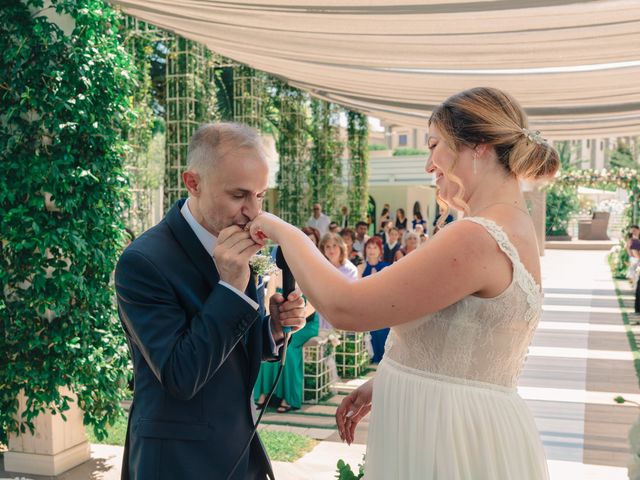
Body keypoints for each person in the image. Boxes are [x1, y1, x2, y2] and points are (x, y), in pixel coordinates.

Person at [248, 87, 559, 479]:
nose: (429, 164)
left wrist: (280, 229)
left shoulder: (477, 236)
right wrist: (389, 378)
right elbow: (474, 341)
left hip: (446, 438)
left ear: (478, 145)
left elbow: (346, 307)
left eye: (435, 146)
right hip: (469, 426)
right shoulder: (515, 224)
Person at [115, 123, 306, 480]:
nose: (253, 212)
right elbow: (179, 374)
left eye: (260, 195)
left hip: (241, 452)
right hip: (178, 462)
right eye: (239, 195)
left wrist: (272, 328)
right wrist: (233, 288)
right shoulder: (143, 262)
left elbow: (231, 351)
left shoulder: (237, 242)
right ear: (193, 183)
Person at [254, 230, 320, 414]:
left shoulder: (314, 270)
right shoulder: (278, 269)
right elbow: (268, 298)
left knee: (288, 347)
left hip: (305, 322)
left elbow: (314, 305)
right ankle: (265, 393)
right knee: (267, 340)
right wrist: (273, 319)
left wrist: (296, 319)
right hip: (282, 319)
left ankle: (289, 397)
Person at [357, 236, 390, 363]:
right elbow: (357, 288)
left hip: (381, 306)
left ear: (380, 250)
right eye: (369, 247)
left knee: (382, 331)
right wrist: (359, 273)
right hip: (365, 306)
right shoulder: (361, 267)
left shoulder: (386, 267)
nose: (371, 250)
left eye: (375, 247)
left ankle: (383, 359)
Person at [316, 233, 359, 330]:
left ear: (341, 247)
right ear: (323, 250)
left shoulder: (350, 269)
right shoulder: (321, 268)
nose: (331, 250)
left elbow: (350, 295)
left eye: (334, 246)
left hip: (343, 314)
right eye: (328, 246)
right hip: (323, 316)